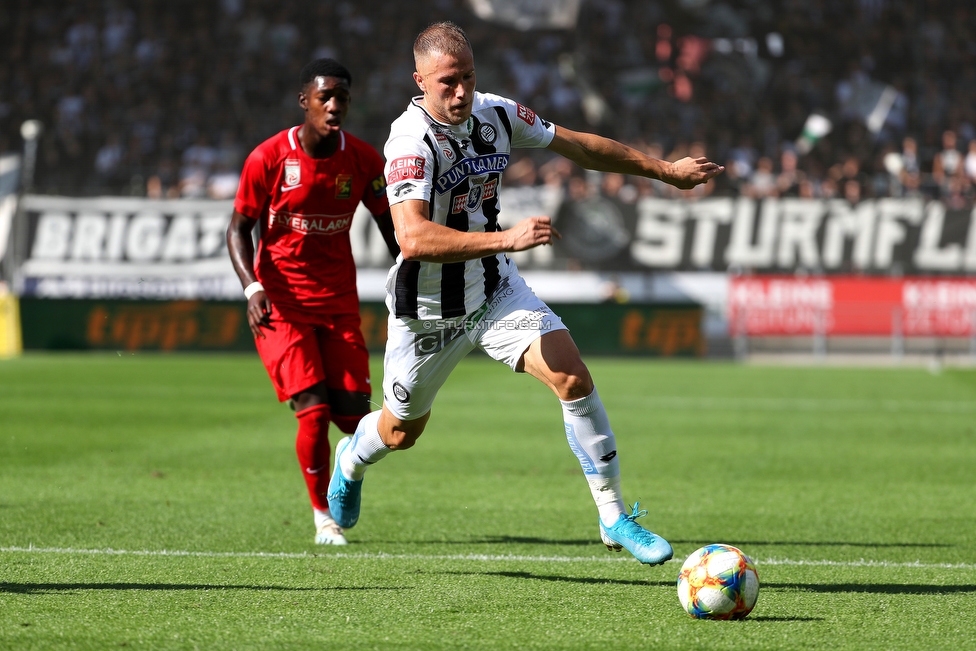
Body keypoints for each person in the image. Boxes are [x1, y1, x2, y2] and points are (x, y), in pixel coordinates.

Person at [327, 22, 723, 564]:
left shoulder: (497, 113)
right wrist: (507, 237)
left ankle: (613, 517)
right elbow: (413, 238)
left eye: (467, 76)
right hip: (429, 311)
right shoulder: (409, 141)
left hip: (493, 290)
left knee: (572, 376)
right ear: (420, 81)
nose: (461, 91)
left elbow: (578, 146)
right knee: (400, 433)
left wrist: (664, 171)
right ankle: (350, 459)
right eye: (447, 82)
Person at [226, 58, 399, 546]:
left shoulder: (363, 160)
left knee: (354, 419)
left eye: (342, 97)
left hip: (338, 302)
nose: (335, 105)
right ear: (305, 101)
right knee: (313, 408)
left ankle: (347, 467)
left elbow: (391, 226)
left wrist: (408, 278)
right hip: (279, 303)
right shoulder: (269, 158)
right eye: (325, 97)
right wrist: (251, 287)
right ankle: (323, 515)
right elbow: (238, 227)